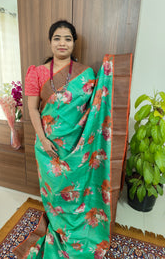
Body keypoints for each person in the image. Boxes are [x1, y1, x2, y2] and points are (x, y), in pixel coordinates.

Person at [25, 20, 113, 259]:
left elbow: (96, 109)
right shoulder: (37, 72)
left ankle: (78, 230)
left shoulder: (87, 73)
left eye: (67, 38)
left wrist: (110, 70)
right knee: (55, 193)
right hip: (48, 147)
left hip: (78, 146)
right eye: (57, 38)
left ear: (74, 43)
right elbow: (32, 110)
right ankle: (59, 226)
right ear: (50, 42)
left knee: (78, 190)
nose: (62, 43)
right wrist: (43, 139)